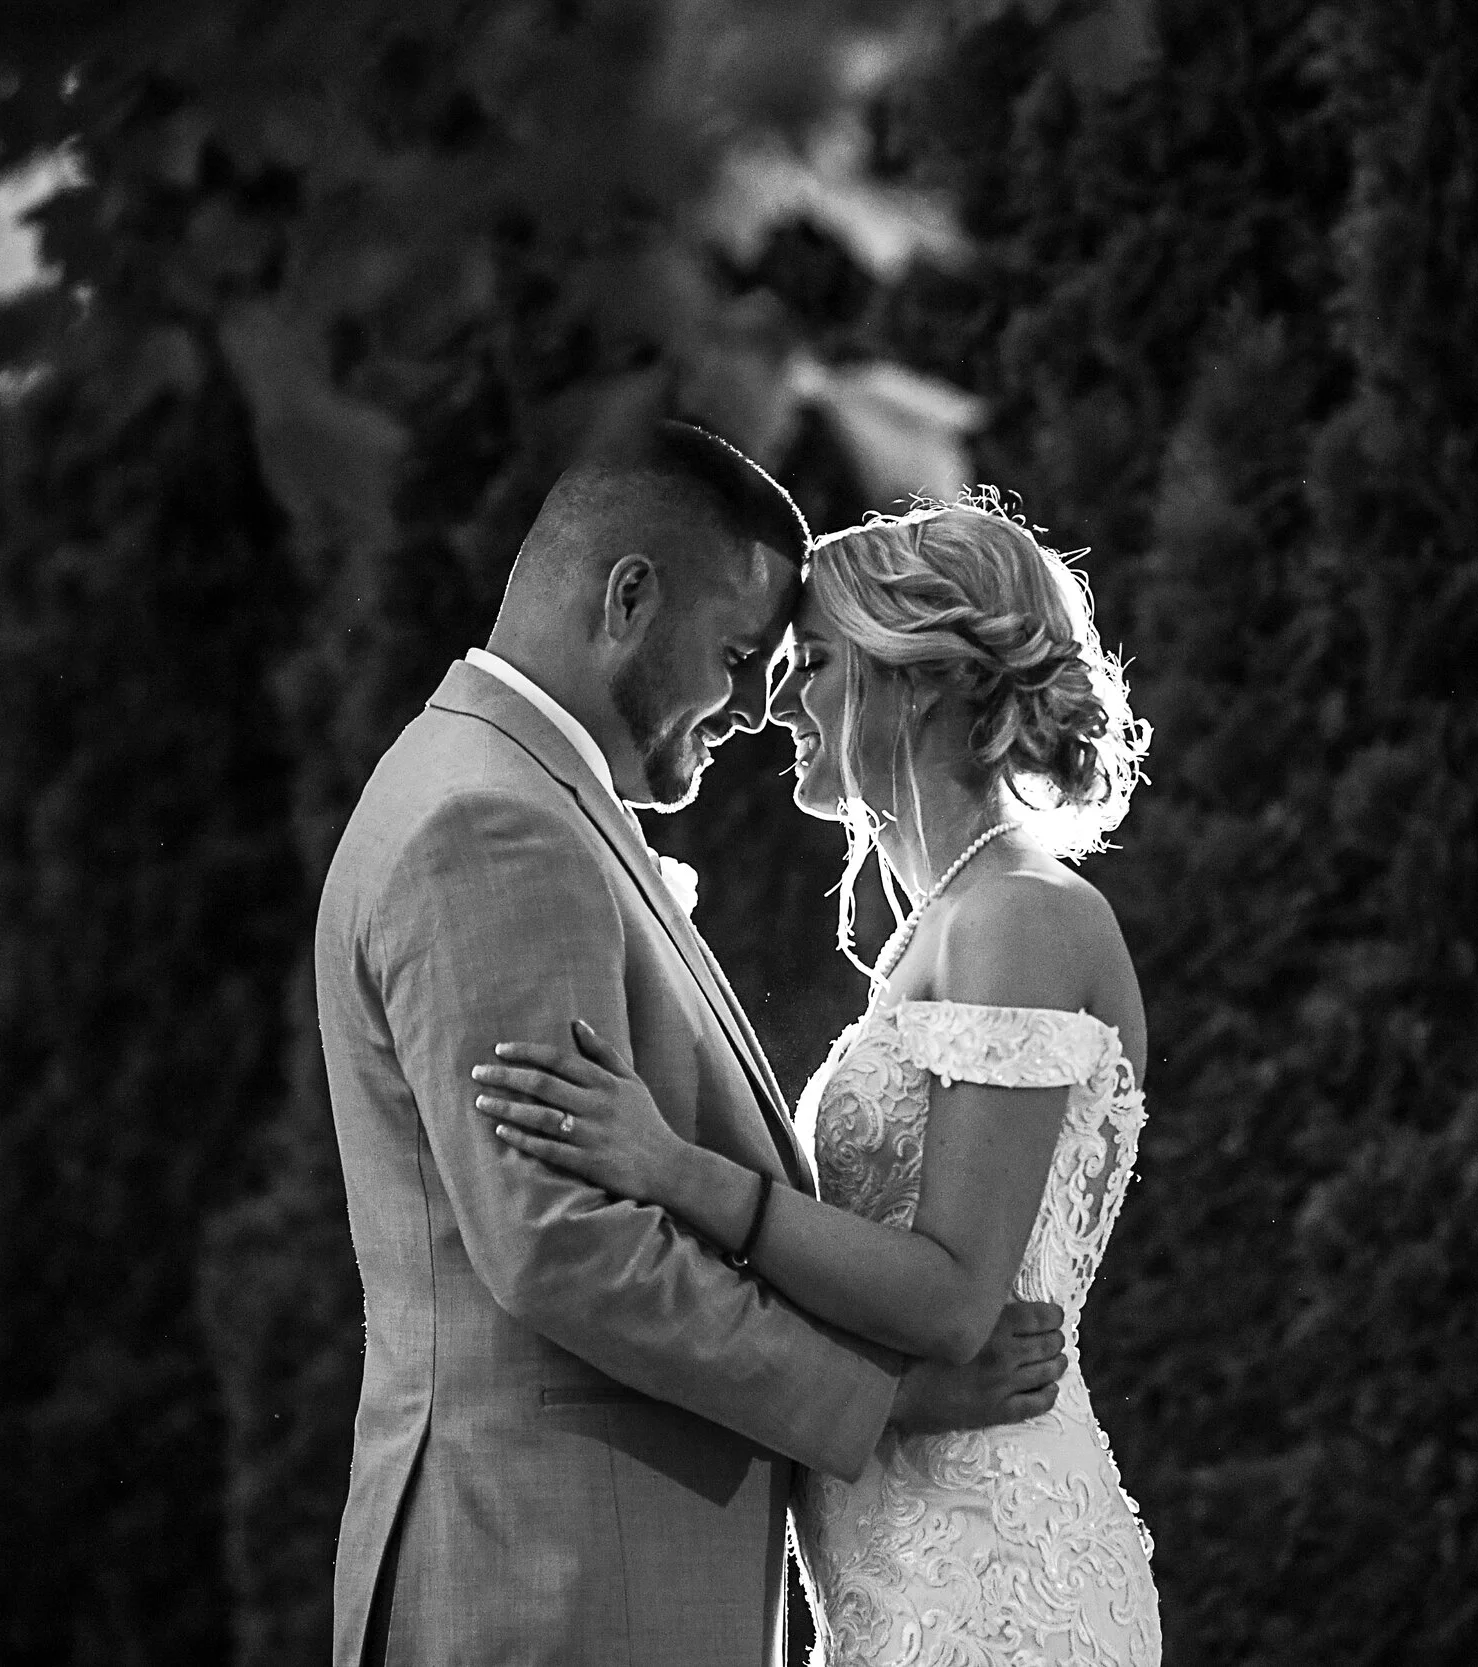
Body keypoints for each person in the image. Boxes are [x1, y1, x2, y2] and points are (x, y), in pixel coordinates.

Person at [316, 429, 1069, 1667]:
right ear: (627, 597)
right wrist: (880, 1406)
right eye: (735, 659)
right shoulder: (491, 823)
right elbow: (567, 1246)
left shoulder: (506, 787)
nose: (752, 710)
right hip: (557, 1584)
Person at [469, 496, 1163, 1665]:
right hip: (899, 1567)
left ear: (922, 681)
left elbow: (953, 1302)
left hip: (991, 1579)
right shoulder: (941, 931)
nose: (778, 702)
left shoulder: (1019, 918)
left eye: (815, 664)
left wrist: (675, 1171)